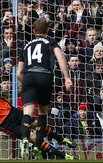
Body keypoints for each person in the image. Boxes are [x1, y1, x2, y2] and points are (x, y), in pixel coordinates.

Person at [16, 18, 73, 159]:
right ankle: (37, 146)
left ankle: (24, 138)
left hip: (28, 76)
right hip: (44, 75)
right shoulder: (51, 42)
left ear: (33, 31)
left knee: (27, 113)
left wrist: (27, 84)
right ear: (48, 30)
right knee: (42, 113)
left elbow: (18, 73)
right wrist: (67, 78)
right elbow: (60, 58)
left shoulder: (26, 45)